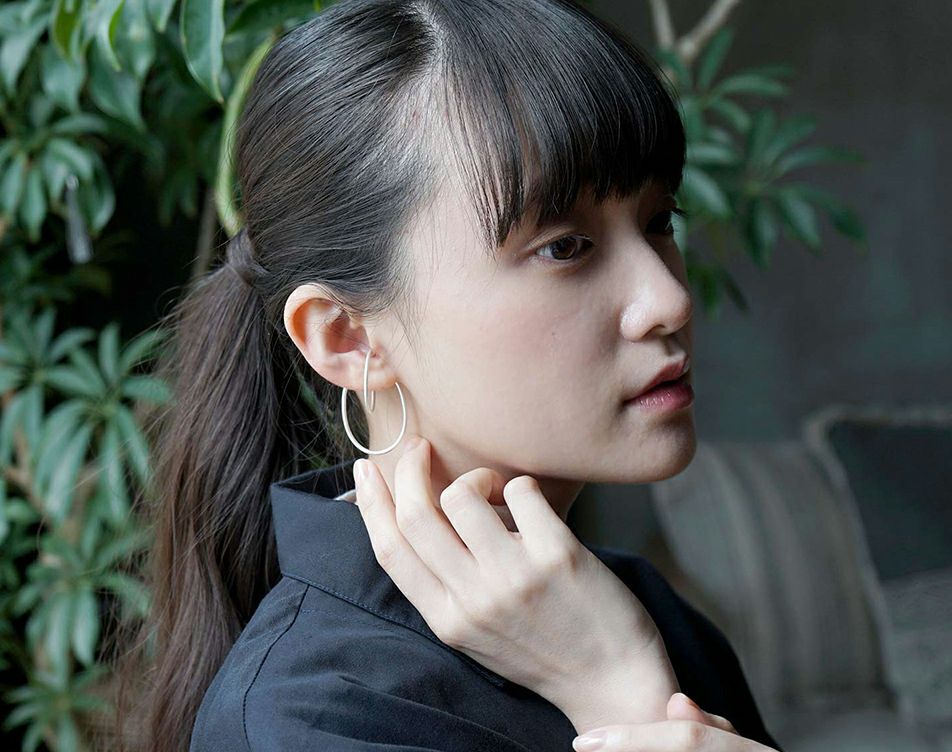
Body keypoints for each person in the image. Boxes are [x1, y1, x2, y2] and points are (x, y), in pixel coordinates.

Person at [111, 0, 783, 750]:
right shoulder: (311, 718)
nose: (669, 299)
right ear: (347, 337)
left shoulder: (649, 617)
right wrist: (621, 690)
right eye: (565, 247)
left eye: (659, 220)